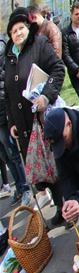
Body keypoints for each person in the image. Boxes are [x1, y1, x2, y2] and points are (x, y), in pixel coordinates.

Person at [4, 7, 65, 170]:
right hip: (23, 130)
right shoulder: (9, 58)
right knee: (39, 178)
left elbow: (58, 69)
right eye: (14, 31)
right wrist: (12, 123)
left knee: (56, 171)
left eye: (21, 28)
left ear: (29, 28)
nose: (18, 33)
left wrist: (46, 96)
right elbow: (8, 94)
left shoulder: (40, 44)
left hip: (43, 120)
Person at [0, 34, 30, 205]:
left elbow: (5, 80)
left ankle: (25, 187)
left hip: (2, 110)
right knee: (4, 155)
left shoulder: (1, 48)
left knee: (12, 152)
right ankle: (19, 187)